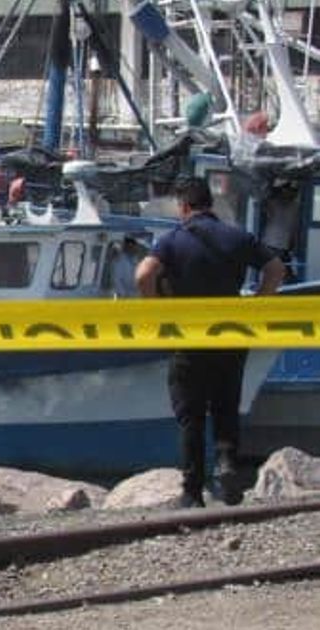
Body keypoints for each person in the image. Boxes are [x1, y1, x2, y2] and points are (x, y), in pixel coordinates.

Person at [135, 177, 284, 508]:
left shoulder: (173, 240)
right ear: (209, 204)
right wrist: (258, 306)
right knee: (226, 406)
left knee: (191, 415)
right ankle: (228, 468)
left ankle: (192, 492)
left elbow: (143, 275)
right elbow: (275, 269)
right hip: (231, 335)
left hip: (188, 338)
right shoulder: (237, 237)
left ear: (184, 206)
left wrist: (161, 311)